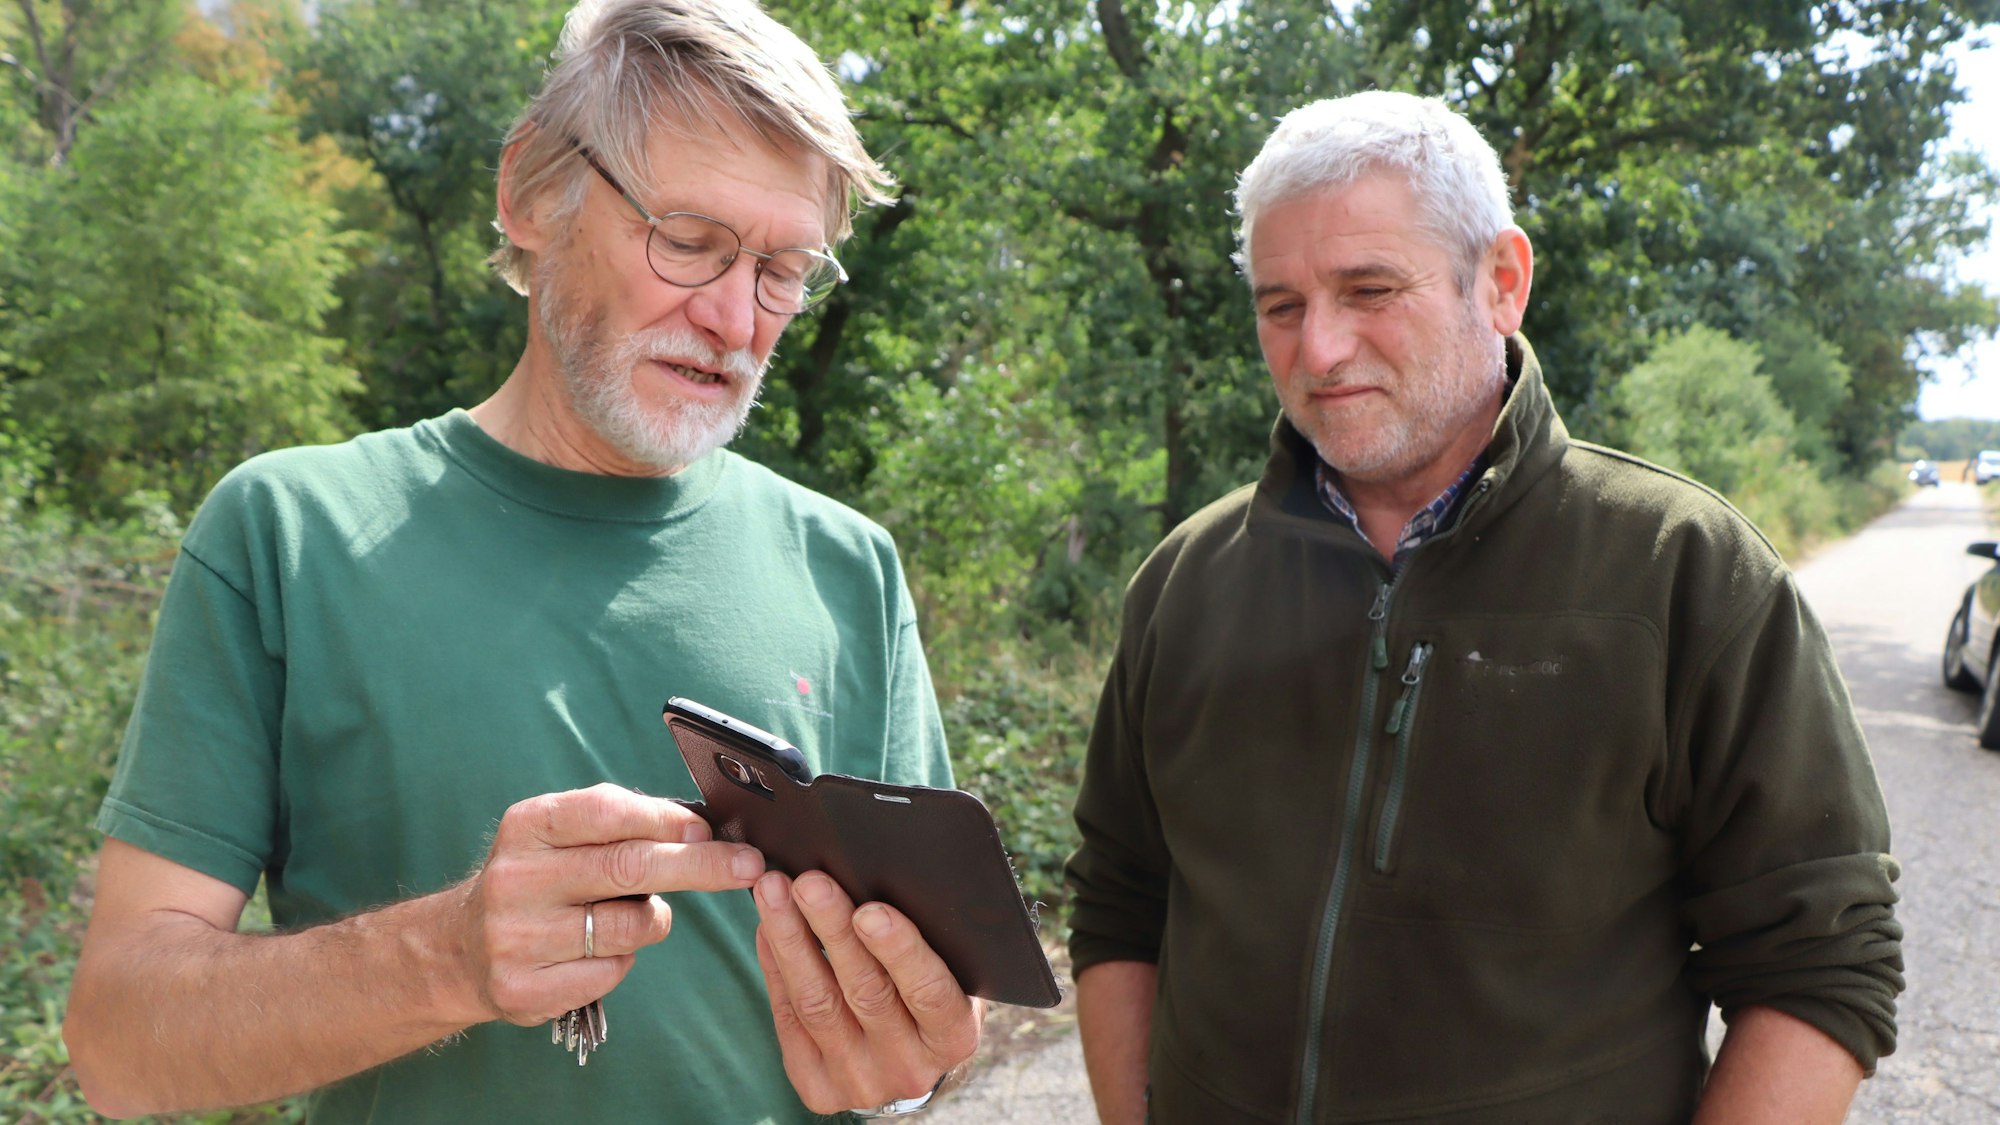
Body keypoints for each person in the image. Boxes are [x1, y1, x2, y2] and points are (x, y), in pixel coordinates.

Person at [61, 1, 981, 1120]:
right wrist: (446, 957)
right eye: (688, 241)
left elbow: (925, 1040)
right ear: (531, 193)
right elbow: (118, 1046)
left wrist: (904, 1071)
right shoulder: (288, 532)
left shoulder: (850, 568)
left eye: (783, 270)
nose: (736, 319)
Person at [1065, 91, 1903, 1124]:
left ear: (1500, 281)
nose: (1317, 349)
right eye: (1280, 305)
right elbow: (1117, 904)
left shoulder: (1683, 573)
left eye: (1368, 289)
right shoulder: (1185, 583)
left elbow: (1821, 966)